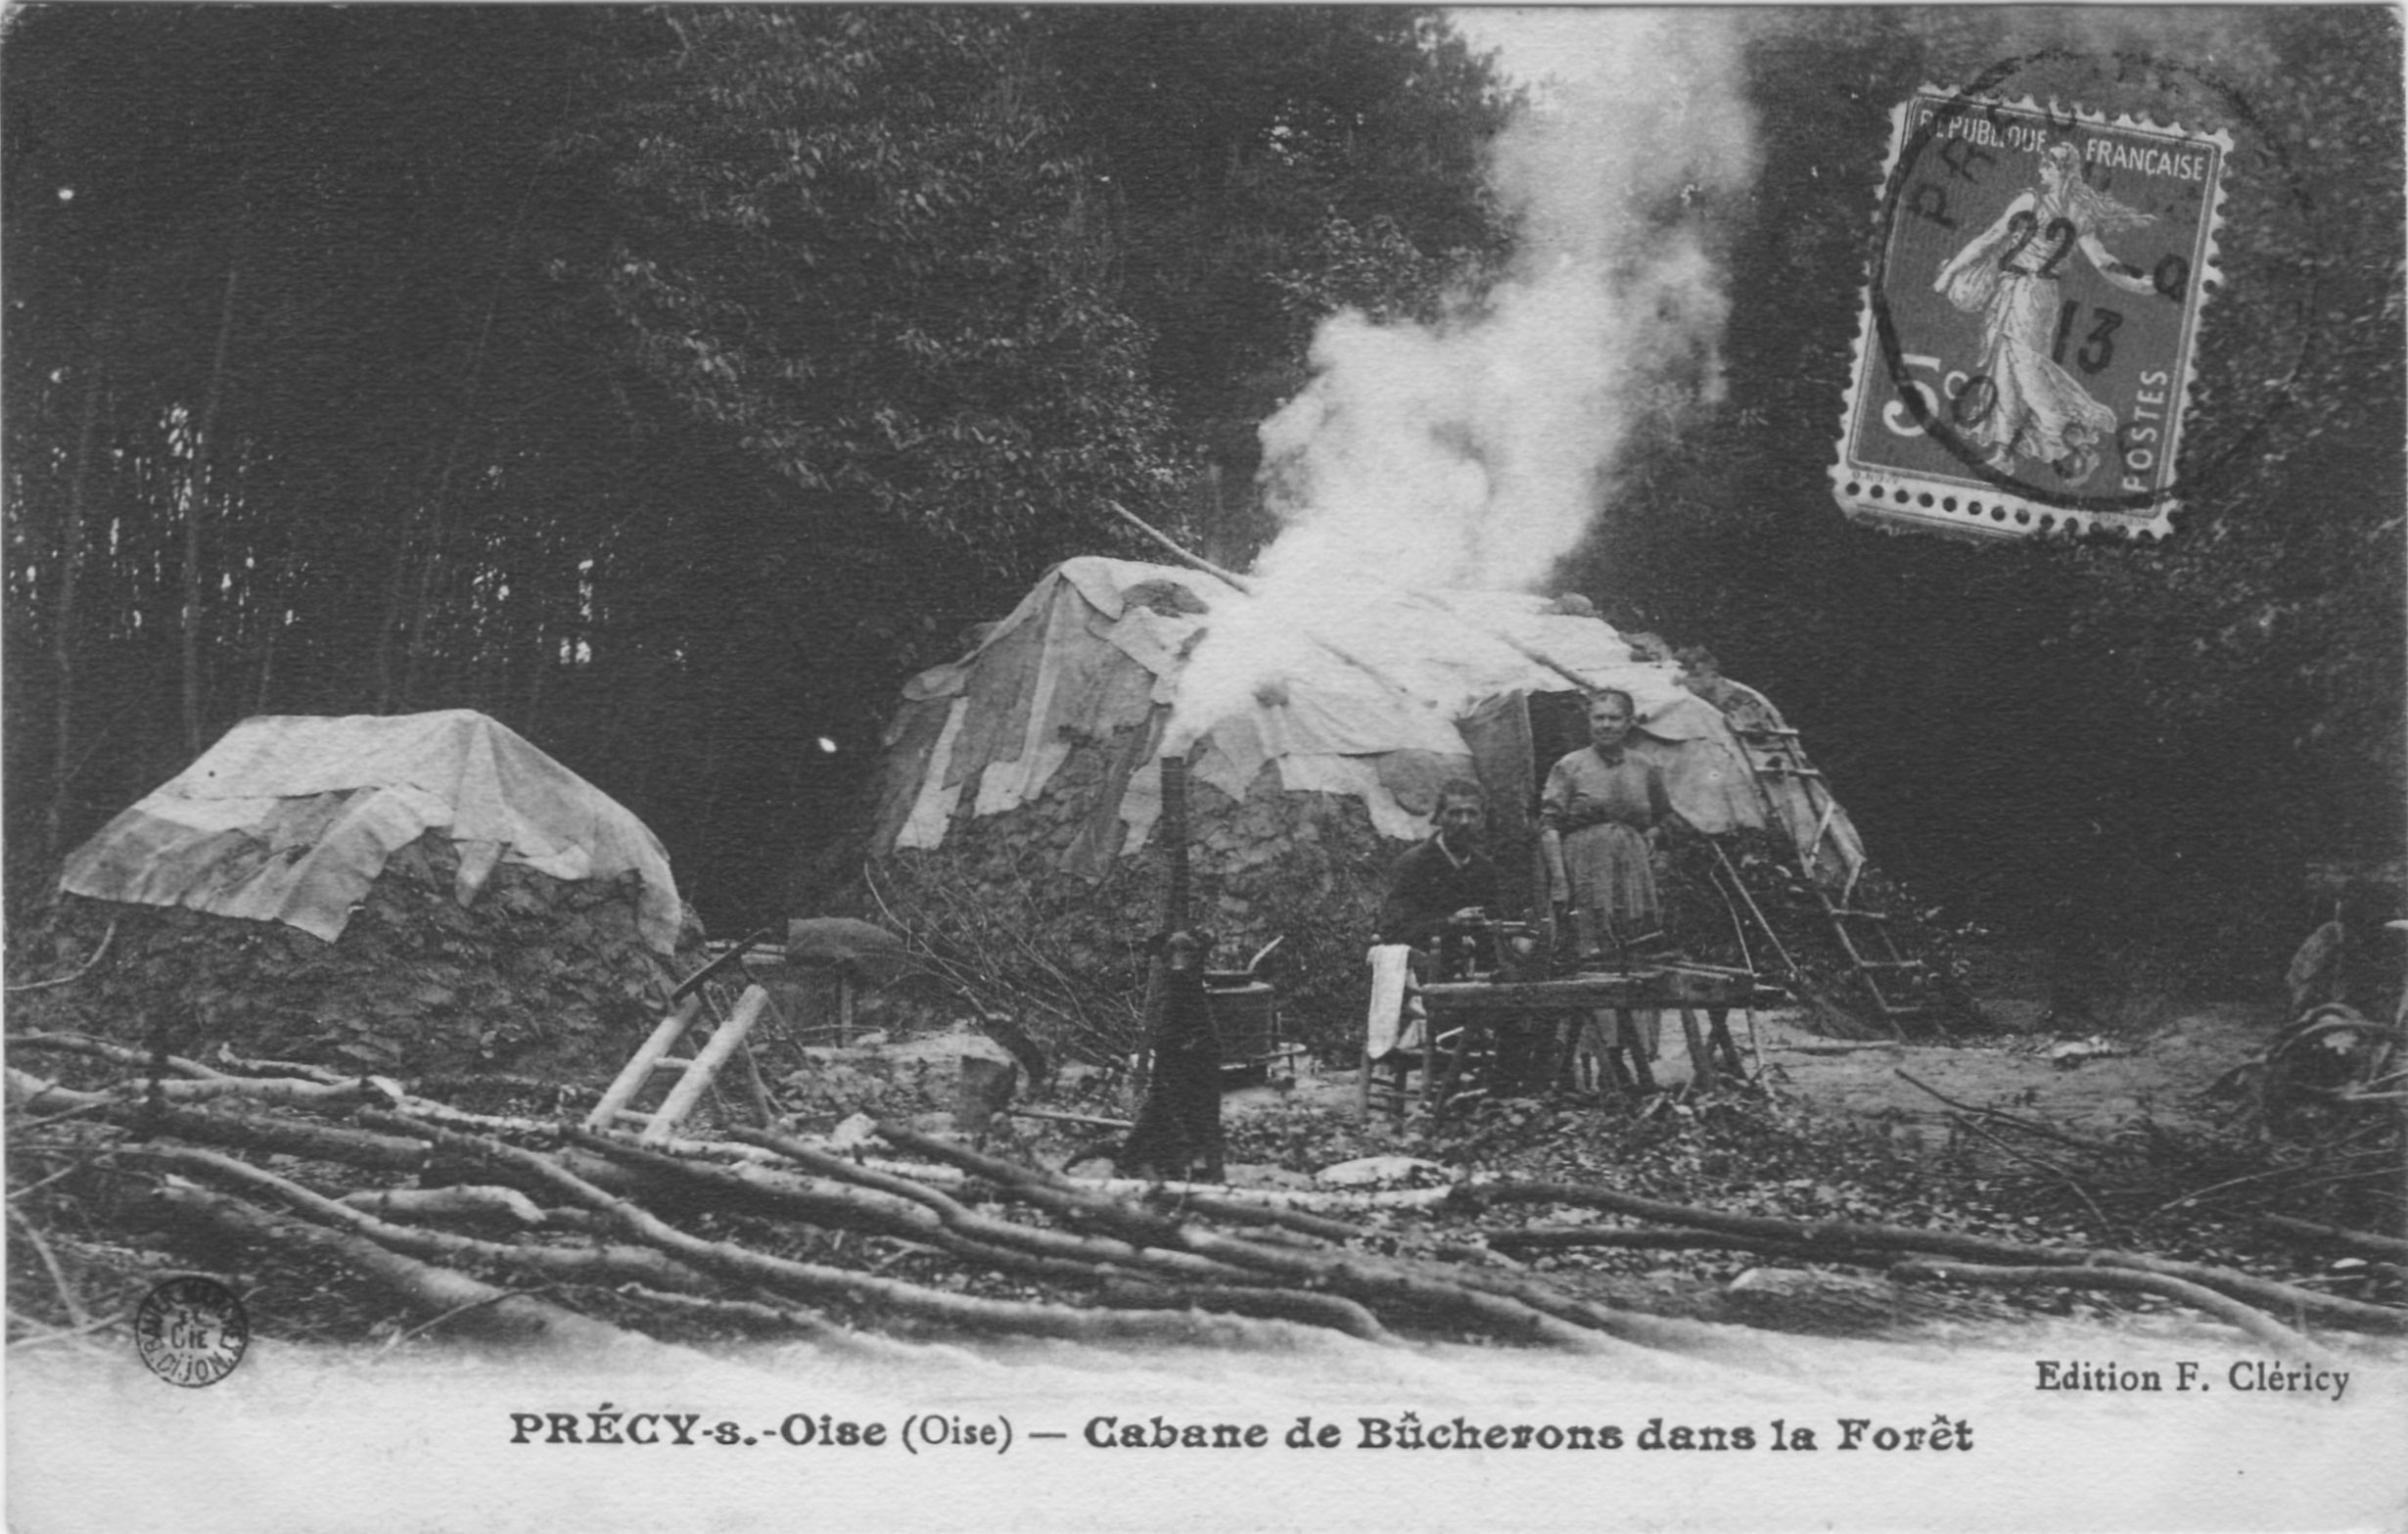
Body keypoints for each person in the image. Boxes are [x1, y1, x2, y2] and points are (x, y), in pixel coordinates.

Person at [1932, 141, 2155, 485]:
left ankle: (2071, 439)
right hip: (2040, 296)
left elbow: (1987, 240)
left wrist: (1949, 274)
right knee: (2007, 369)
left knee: (2026, 371)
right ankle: (2005, 452)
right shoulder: (2079, 213)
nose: (2040, 171)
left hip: (2024, 293)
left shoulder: (2030, 202)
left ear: (2059, 169)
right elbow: (2105, 264)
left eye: (2045, 166)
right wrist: (2138, 283)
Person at [1542, 689, 1690, 1092]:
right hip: (1586, 871)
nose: (1605, 725)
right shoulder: (1570, 767)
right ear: (1589, 722)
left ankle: (1632, 1058)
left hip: (1633, 876)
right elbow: (1549, 826)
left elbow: (1662, 818)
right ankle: (1584, 1060)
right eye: (1599, 718)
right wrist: (1559, 880)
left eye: (1614, 718)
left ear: (1629, 723)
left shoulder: (1645, 767)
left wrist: (1650, 838)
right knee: (1592, 954)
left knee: (1636, 955)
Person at [1380, 779, 1502, 954]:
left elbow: (1495, 920)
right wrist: (1451, 922)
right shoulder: (1412, 865)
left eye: (1472, 813)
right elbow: (1392, 932)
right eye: (1455, 813)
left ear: (1482, 819)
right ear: (1439, 817)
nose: (1464, 822)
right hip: (1424, 973)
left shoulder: (1485, 868)